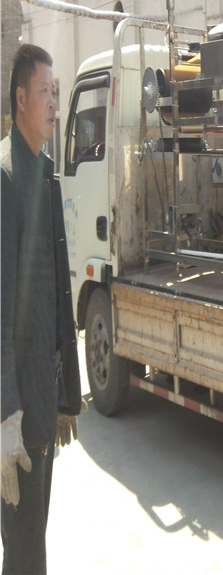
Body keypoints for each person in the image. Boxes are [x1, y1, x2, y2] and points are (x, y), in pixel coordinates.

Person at [1, 44, 83, 574]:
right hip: (16, 413)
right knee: (24, 551)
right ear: (20, 99)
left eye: (56, 92)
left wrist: (67, 394)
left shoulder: (44, 173)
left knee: (34, 541)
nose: (55, 103)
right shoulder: (5, 178)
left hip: (41, 400)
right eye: (46, 93)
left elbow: (57, 291)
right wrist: (6, 417)